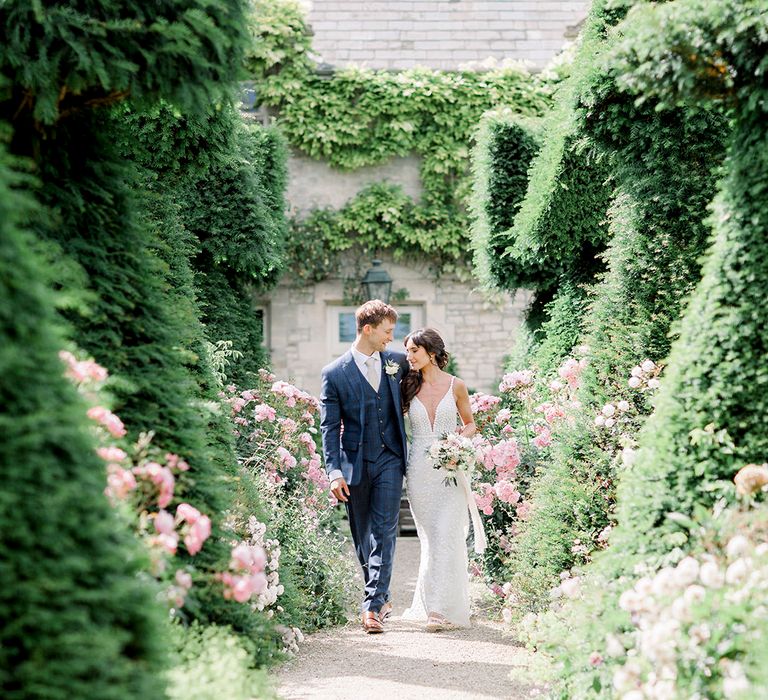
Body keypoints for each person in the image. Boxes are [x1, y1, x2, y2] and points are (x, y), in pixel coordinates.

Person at [320, 299, 409, 634]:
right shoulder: (334, 373)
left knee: (385, 530)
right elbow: (329, 426)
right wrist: (334, 472)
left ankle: (371, 606)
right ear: (368, 330)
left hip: (390, 458)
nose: (391, 337)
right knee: (362, 534)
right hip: (354, 463)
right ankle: (381, 596)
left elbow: (428, 377)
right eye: (387, 331)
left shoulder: (398, 362)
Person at [400, 327, 481, 632]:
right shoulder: (406, 385)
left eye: (413, 351)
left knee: (448, 533)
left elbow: (471, 424)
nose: (409, 356)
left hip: (450, 470)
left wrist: (458, 443)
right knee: (432, 538)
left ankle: (440, 608)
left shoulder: (456, 386)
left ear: (431, 353)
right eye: (407, 351)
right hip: (419, 471)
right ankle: (432, 604)